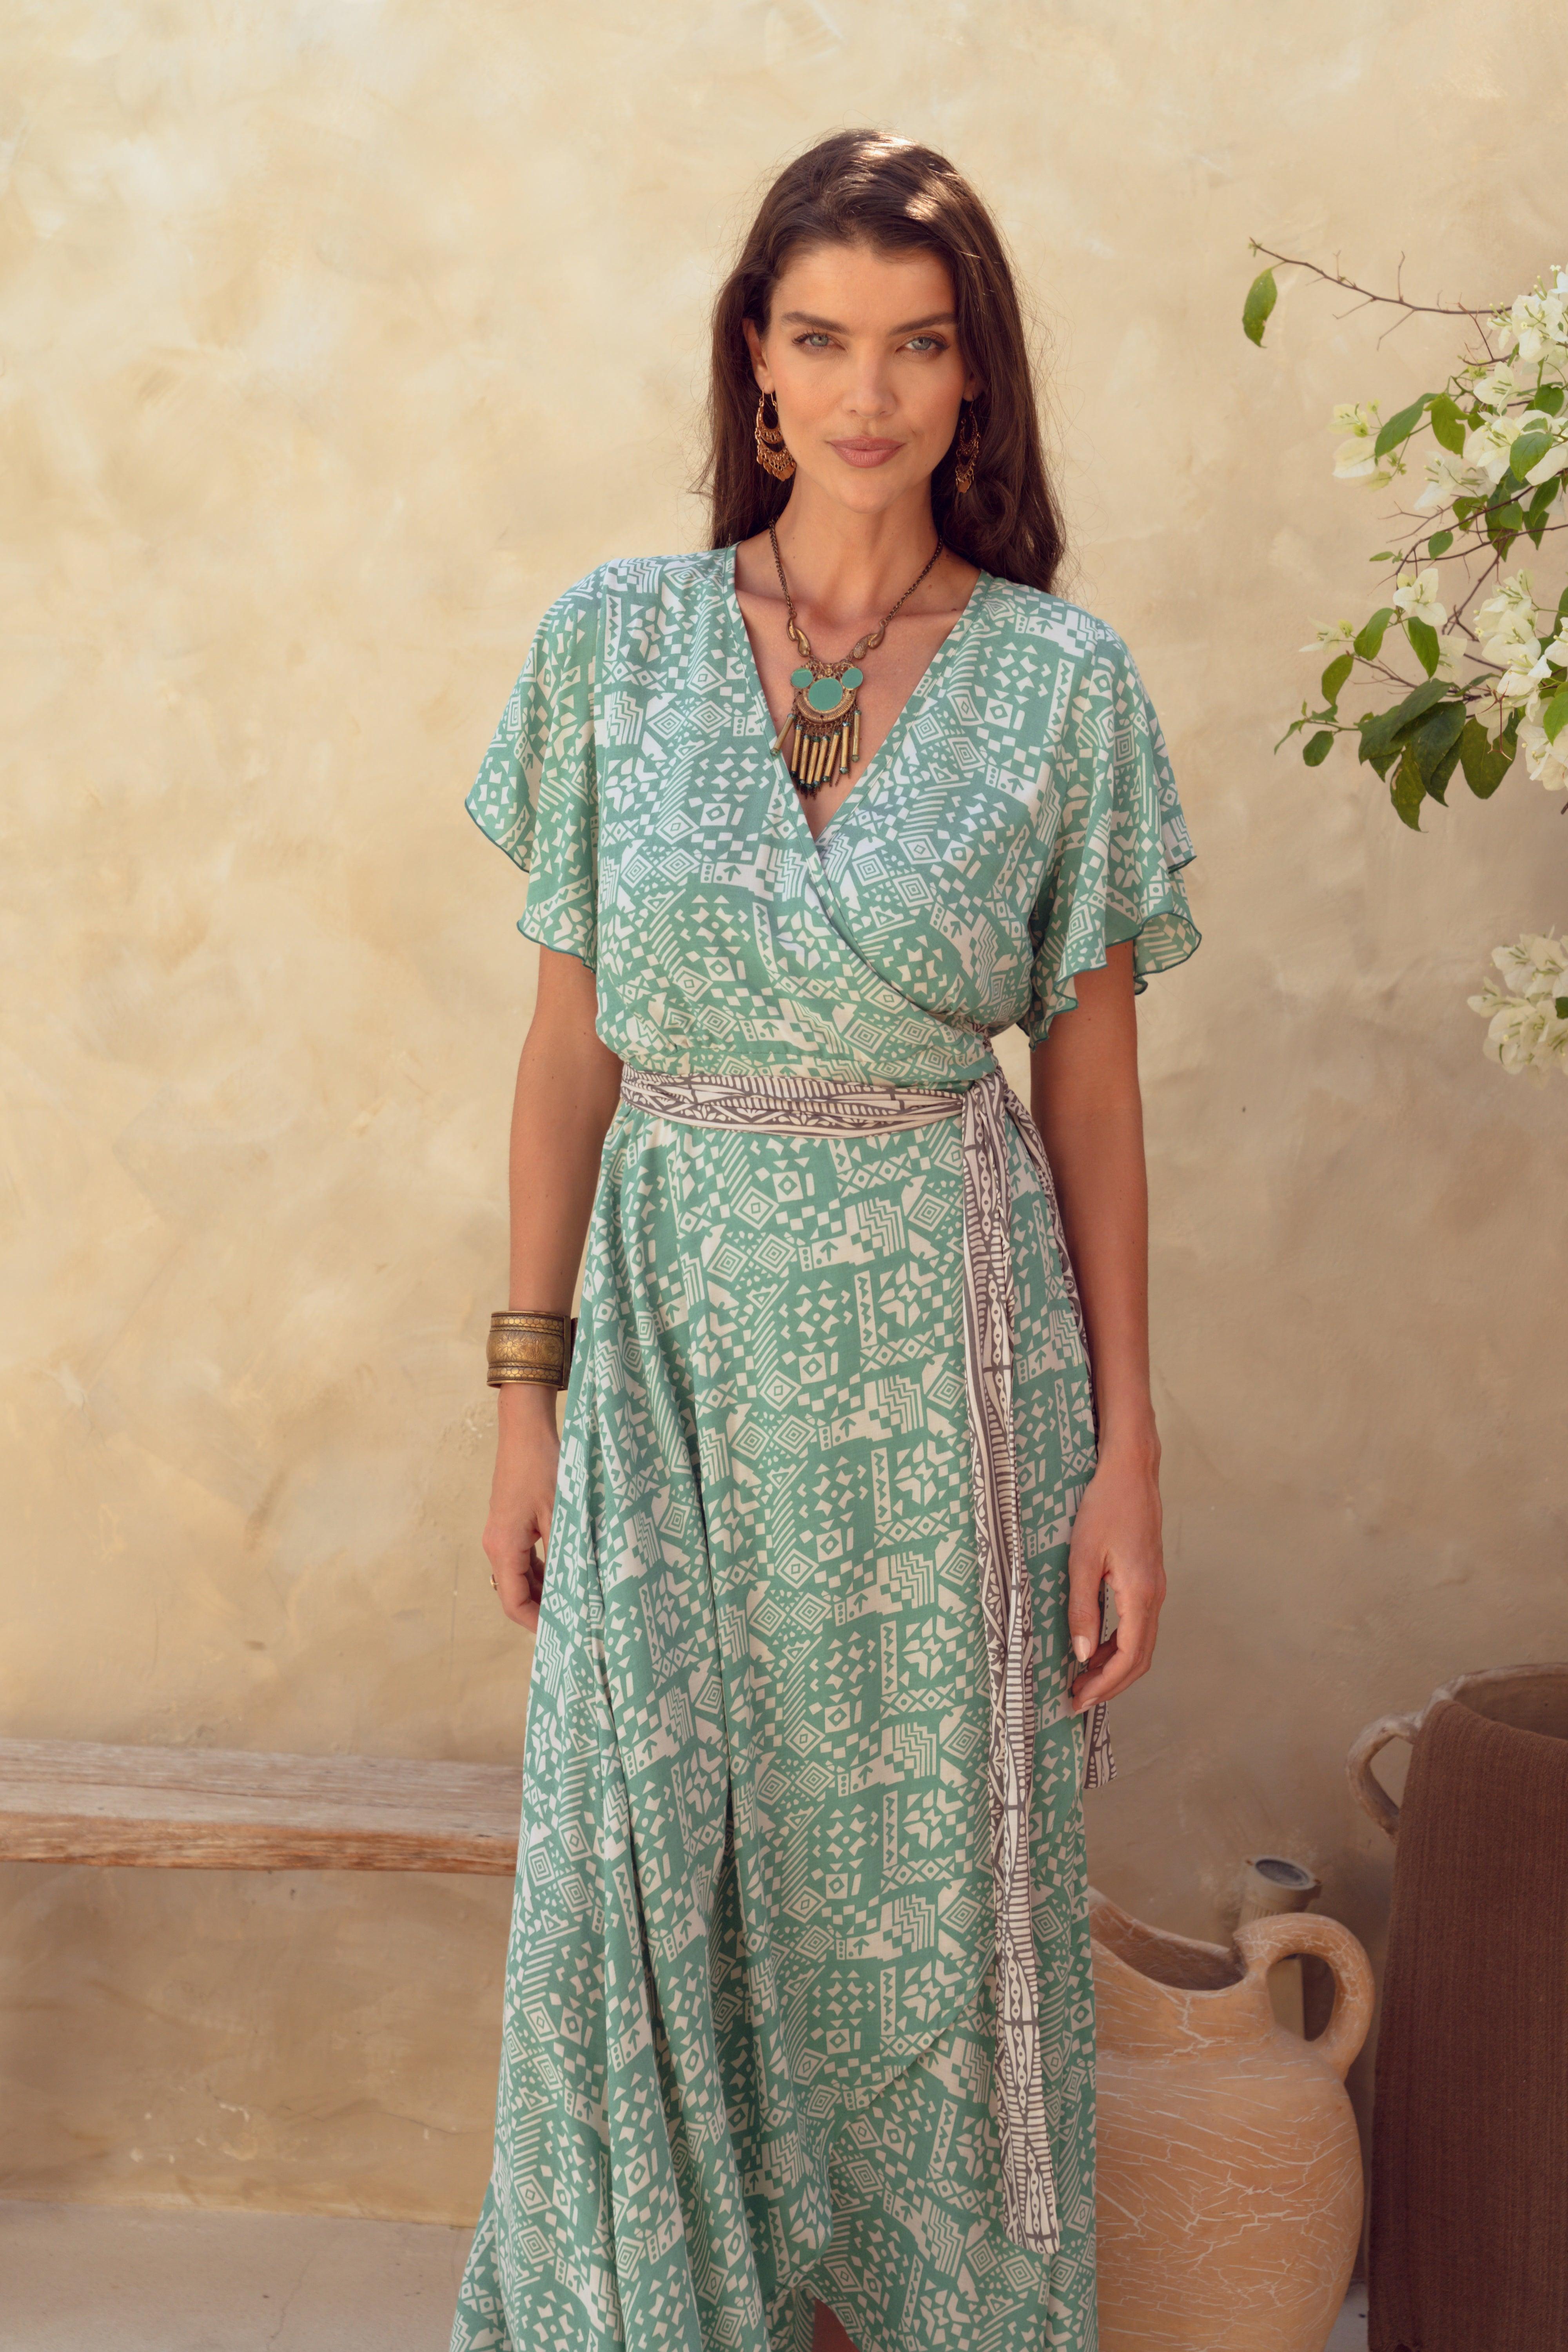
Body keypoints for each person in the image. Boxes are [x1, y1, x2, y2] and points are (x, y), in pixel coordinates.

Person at [450, 127, 1198, 2352]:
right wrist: (524, 1401)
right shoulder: (615, 645)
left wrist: (1130, 1454)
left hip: (948, 1377)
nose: (867, 389)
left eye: (919, 343)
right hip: (671, 1353)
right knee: (638, 1890)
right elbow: (568, 1054)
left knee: (921, 1930)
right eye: (819, 337)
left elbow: (1091, 1101)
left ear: (977, 385)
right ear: (756, 373)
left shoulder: (1067, 690)